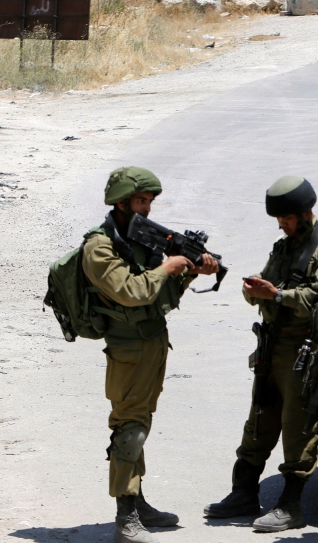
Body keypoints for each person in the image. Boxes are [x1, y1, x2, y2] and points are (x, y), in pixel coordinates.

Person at [82, 166, 220, 543]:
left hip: (153, 341)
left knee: (140, 423)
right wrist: (168, 267)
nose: (146, 208)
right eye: (141, 201)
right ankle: (125, 518)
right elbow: (131, 292)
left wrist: (191, 270)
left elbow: (161, 296)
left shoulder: (137, 238)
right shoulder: (100, 246)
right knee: (129, 427)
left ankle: (137, 501)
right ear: (121, 201)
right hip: (127, 348)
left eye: (149, 202)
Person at [204, 176, 318, 532]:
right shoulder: (284, 247)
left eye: (286, 218)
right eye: (279, 219)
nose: (282, 225)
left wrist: (278, 296)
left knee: (298, 427)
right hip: (272, 345)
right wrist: (256, 289)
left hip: (303, 351)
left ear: (305, 212)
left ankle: (291, 506)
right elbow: (266, 282)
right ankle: (244, 493)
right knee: (259, 421)